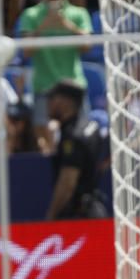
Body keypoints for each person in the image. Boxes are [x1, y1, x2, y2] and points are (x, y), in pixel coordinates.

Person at [18, 0, 92, 151]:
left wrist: (67, 25)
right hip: (44, 88)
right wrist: (43, 27)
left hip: (74, 87)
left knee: (81, 140)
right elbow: (26, 52)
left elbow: (87, 47)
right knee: (43, 145)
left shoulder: (79, 14)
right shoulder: (31, 15)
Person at [45, 79, 105, 219]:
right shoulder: (92, 127)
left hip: (78, 216)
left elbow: (68, 183)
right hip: (95, 210)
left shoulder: (73, 135)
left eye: (52, 98)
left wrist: (51, 216)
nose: (48, 103)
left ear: (66, 102)